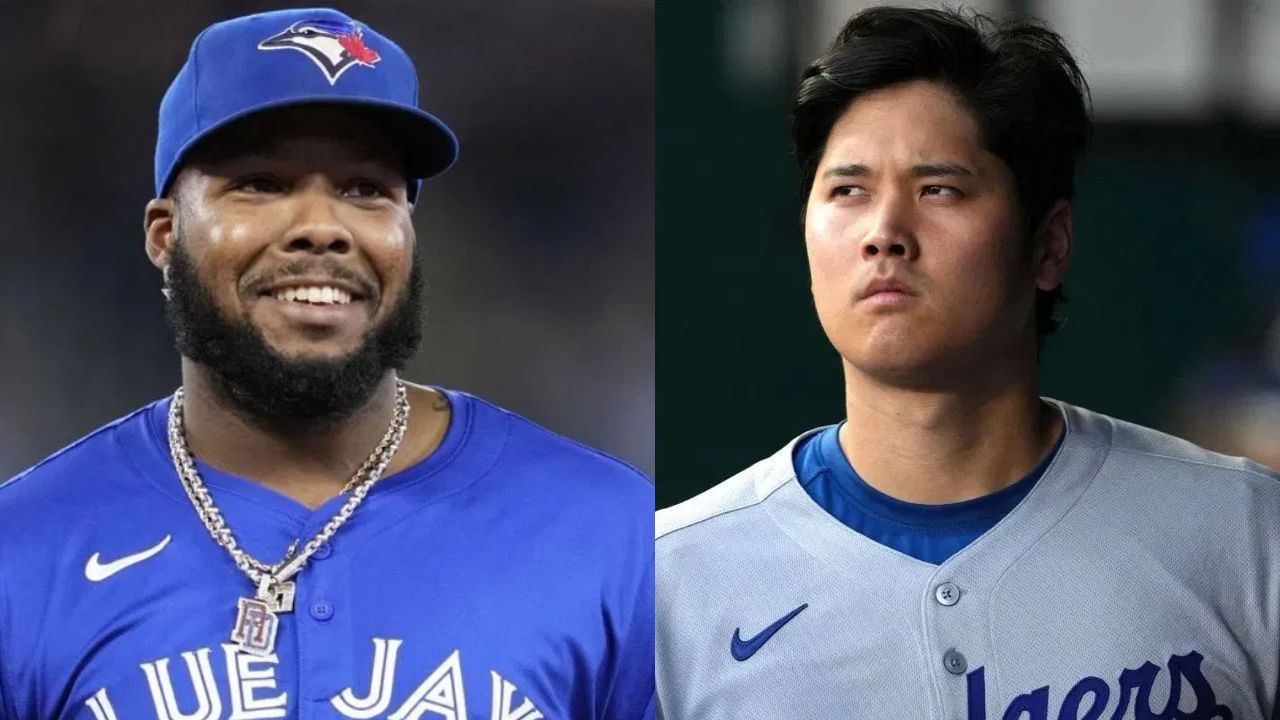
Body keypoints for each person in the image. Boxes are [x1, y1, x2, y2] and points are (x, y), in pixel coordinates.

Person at [0, 8, 653, 720]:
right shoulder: (24, 551)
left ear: (407, 230)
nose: (321, 227)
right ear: (165, 233)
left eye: (366, 189)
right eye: (260, 182)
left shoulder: (613, 535)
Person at [655, 7, 1279, 719]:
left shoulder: (1246, 534)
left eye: (938, 190)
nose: (884, 233)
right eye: (847, 191)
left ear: (1048, 246)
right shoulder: (667, 581)